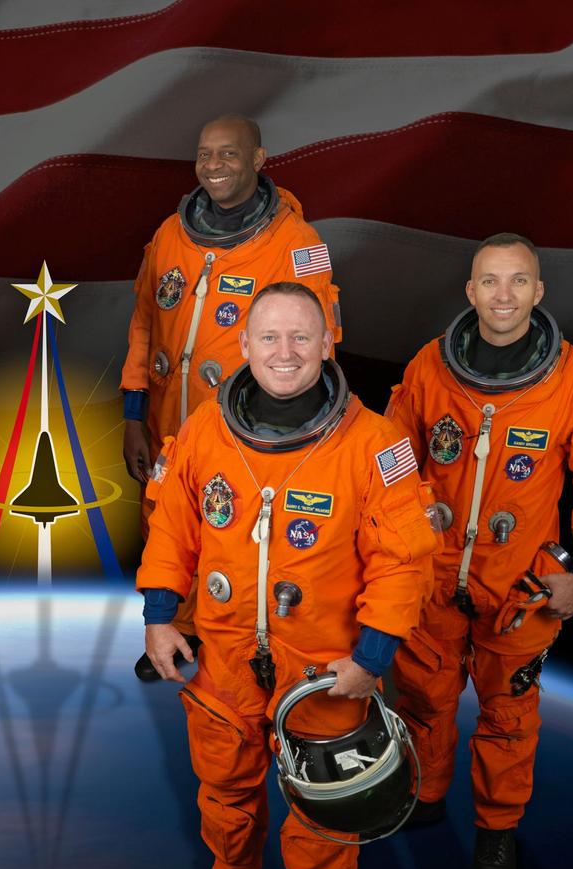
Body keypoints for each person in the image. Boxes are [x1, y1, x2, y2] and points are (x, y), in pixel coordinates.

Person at [138, 282, 436, 869]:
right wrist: (157, 616)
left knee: (324, 803)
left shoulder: (375, 444)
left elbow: (405, 560)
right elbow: (173, 527)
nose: (285, 352)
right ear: (241, 347)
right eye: (268, 337)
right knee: (223, 785)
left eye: (301, 337)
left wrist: (371, 659)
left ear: (327, 343)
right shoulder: (208, 431)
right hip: (223, 656)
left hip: (328, 670)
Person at [385, 233, 573, 869]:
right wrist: (402, 531)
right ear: (470, 292)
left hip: (519, 587)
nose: (503, 295)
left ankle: (497, 831)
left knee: (508, 715)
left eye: (518, 281)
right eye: (490, 282)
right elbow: (390, 458)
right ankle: (425, 795)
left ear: (539, 290)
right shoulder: (428, 367)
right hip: (433, 579)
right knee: (419, 698)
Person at [122, 115, 341, 681]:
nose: (214, 167)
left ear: (259, 159)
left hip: (242, 432)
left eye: (229, 155)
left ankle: (232, 639)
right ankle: (173, 628)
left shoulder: (296, 245)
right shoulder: (172, 233)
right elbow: (144, 325)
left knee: (230, 527)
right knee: (166, 523)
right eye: (205, 155)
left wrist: (298, 442)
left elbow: (320, 345)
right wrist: (132, 414)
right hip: (165, 422)